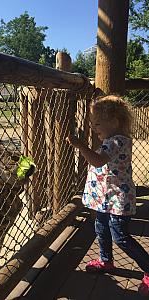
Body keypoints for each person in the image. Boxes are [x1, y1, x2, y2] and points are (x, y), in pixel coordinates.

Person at [66, 95, 149, 296]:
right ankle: (106, 260)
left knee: (120, 236)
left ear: (114, 122)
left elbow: (98, 161)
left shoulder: (116, 142)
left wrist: (81, 146)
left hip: (116, 198)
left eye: (97, 123)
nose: (94, 128)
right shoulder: (112, 140)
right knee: (101, 227)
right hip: (105, 198)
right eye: (92, 124)